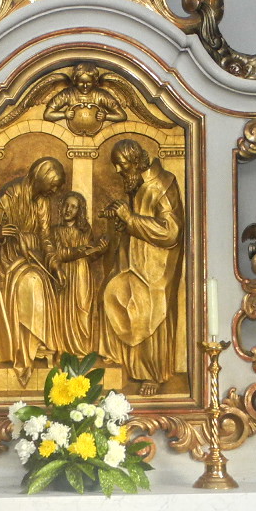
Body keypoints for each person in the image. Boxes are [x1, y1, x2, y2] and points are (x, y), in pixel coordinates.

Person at [101, 139, 185, 395]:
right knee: (112, 294)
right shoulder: (137, 183)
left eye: (121, 164)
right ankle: (125, 364)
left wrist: (130, 218)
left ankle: (152, 373)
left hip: (155, 267)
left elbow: (171, 231)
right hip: (133, 261)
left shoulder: (163, 184)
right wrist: (122, 223)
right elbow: (137, 221)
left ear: (136, 162)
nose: (117, 170)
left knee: (150, 312)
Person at [0, 156, 67, 386]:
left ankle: (35, 344)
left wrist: (55, 265)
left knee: (37, 279)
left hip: (31, 258)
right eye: (53, 185)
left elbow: (46, 238)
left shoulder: (42, 202)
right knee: (32, 282)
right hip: (5, 261)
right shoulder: (10, 195)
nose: (54, 191)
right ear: (41, 178)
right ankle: (25, 349)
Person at [49, 191, 109, 359]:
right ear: (61, 207)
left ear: (79, 211)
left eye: (74, 207)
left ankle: (82, 352)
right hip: (64, 274)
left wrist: (99, 250)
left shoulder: (85, 231)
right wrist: (80, 250)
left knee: (83, 309)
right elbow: (58, 254)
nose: (69, 209)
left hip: (82, 274)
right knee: (63, 312)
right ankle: (64, 351)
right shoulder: (55, 231)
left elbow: (90, 255)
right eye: (66, 205)